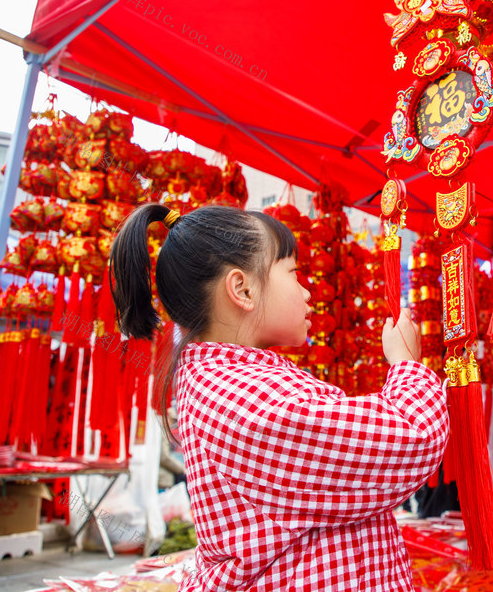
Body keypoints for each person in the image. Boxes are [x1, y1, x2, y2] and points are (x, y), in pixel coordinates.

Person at [110, 204, 448, 591]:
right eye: (293, 273)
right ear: (243, 289)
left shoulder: (234, 380)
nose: (307, 291)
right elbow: (410, 439)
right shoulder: (240, 397)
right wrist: (406, 365)